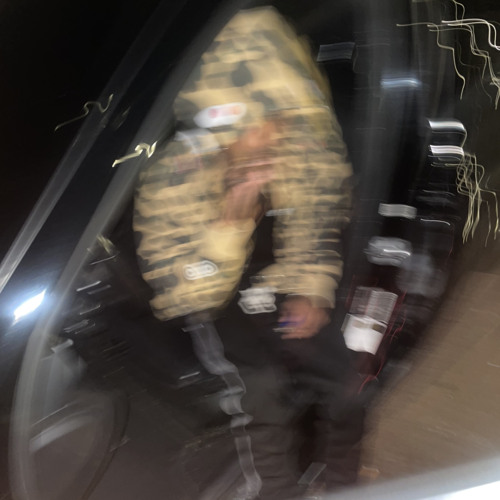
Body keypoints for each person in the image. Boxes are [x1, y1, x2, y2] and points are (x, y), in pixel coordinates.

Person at [134, 7, 362, 499]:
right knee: (262, 398)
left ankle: (347, 488)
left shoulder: (299, 151)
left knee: (346, 385)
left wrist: (310, 289)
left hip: (283, 288)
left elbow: (318, 224)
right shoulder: (172, 181)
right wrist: (230, 222)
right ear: (222, 123)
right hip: (221, 303)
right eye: (254, 125)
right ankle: (276, 492)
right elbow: (185, 294)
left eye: (277, 122)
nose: (269, 140)